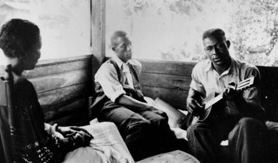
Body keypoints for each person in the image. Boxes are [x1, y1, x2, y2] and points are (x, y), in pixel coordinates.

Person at [0, 18, 135, 163]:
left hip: (29, 150)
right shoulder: (21, 86)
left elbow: (27, 130)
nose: (39, 54)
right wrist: (76, 140)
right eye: (37, 48)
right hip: (44, 158)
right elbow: (44, 151)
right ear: (23, 50)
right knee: (109, 152)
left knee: (108, 126)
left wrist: (59, 130)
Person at [91, 30, 187, 161]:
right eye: (124, 46)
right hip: (110, 106)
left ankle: (167, 153)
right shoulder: (107, 69)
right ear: (114, 49)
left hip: (128, 105)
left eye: (130, 44)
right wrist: (147, 106)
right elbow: (120, 98)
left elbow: (135, 93)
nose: (129, 49)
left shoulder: (134, 66)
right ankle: (129, 159)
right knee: (139, 125)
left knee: (160, 119)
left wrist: (148, 107)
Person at [186, 28, 267, 163]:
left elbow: (255, 113)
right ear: (205, 50)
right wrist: (190, 101)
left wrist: (237, 100)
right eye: (209, 49)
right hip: (216, 121)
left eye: (219, 46)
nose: (215, 53)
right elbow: (193, 92)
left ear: (227, 44)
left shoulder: (248, 71)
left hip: (241, 121)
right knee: (194, 130)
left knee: (247, 124)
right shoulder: (200, 69)